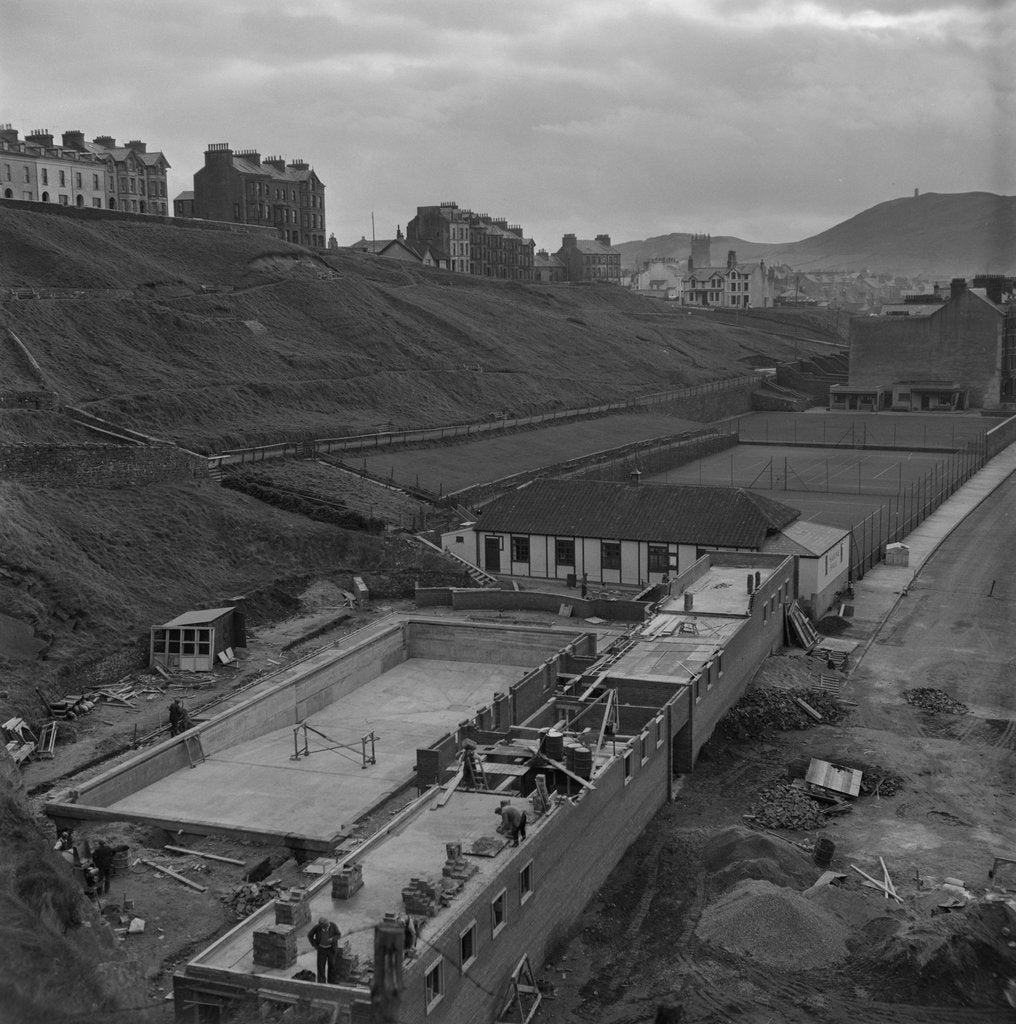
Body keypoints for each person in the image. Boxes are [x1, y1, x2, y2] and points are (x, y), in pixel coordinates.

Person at [308, 916, 341, 983]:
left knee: (332, 965)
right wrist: (315, 945)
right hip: (321, 950)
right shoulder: (318, 927)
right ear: (321, 926)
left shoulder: (333, 925)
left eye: (327, 926)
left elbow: (338, 935)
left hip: (331, 949)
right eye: (324, 927)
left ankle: (332, 981)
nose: (326, 928)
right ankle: (321, 982)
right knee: (321, 967)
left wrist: (332, 939)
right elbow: (309, 935)